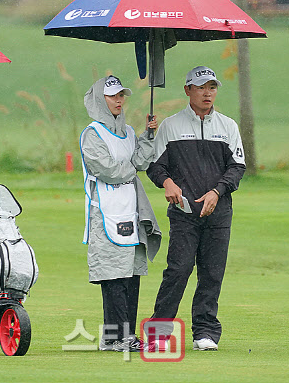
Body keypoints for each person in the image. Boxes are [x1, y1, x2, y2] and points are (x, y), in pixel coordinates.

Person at [146, 66, 246, 351]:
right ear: (188, 90)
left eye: (212, 87)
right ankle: (159, 333)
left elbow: (237, 167)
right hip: (184, 212)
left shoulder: (228, 126)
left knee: (212, 273)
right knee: (178, 269)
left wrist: (218, 191)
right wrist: (167, 182)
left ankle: (205, 332)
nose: (207, 93)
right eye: (201, 87)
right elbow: (156, 166)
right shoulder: (170, 126)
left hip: (219, 212)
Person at [79, 75, 162, 352]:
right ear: (98, 100)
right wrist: (132, 168)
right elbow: (107, 170)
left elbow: (139, 160)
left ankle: (121, 337)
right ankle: (116, 337)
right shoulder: (92, 134)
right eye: (112, 96)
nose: (119, 100)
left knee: (131, 273)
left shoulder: (127, 132)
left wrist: (148, 137)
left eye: (121, 95)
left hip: (130, 211)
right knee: (113, 275)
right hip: (105, 214)